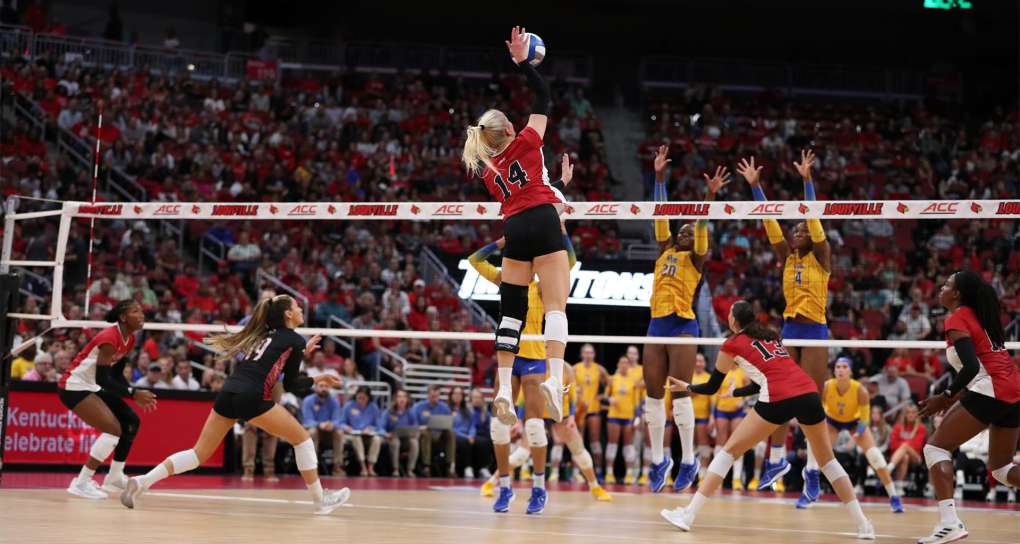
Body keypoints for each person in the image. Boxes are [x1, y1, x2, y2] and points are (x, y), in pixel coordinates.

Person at [660, 301, 874, 540]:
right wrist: (737, 393)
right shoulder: (771, 336)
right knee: (828, 461)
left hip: (778, 398)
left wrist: (687, 386)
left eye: (730, 313)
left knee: (728, 451)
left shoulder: (731, 344)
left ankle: (688, 515)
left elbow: (711, 386)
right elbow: (764, 376)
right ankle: (864, 525)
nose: (728, 316)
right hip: (808, 393)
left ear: (734, 320)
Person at [120, 295, 350, 515]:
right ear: (288, 314)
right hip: (252, 395)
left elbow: (278, 360)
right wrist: (318, 377)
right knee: (303, 440)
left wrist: (301, 352)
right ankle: (321, 501)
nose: (301, 309)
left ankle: (141, 481)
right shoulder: (294, 339)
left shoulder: (265, 336)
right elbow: (292, 385)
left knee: (197, 454)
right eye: (297, 307)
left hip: (228, 391)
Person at [462, 30, 571, 478]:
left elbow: (526, 192)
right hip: (544, 221)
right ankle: (556, 380)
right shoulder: (527, 141)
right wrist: (525, 62)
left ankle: (504, 388)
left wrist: (557, 185)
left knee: (510, 315)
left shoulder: (490, 172)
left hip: (514, 228)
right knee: (555, 306)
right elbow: (546, 92)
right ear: (508, 129)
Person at [465, 208, 576, 514]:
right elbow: (474, 260)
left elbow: (569, 262)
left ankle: (539, 488)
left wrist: (561, 231)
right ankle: (504, 487)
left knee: (536, 428)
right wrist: (504, 242)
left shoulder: (544, 286)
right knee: (498, 428)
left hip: (536, 358)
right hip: (509, 358)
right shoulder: (507, 279)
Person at [738, 150, 832, 507]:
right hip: (790, 330)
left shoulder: (822, 256)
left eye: (802, 228)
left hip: (816, 331)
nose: (796, 231)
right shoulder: (787, 257)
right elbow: (769, 224)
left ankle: (811, 472)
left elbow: (814, 219)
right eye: (795, 229)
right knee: (778, 395)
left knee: (810, 405)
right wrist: (756, 188)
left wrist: (807, 181)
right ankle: (776, 459)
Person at [644, 144, 730, 493]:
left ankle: (689, 460)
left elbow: (703, 227)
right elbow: (661, 213)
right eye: (682, 229)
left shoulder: (697, 258)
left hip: (682, 324)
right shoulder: (665, 249)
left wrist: (708, 199)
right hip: (656, 322)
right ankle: (657, 459)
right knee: (651, 395)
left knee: (679, 394)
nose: (684, 232)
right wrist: (660, 176)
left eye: (689, 232)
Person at [915, 272, 1020, 544]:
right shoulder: (980, 316)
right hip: (1012, 389)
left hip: (993, 388)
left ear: (957, 294)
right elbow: (978, 369)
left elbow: (973, 367)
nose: (941, 287)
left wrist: (945, 394)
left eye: (947, 284)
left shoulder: (958, 317)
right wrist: (950, 398)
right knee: (1002, 469)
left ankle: (950, 524)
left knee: (935, 448)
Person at [58, 300, 157, 499]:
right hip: (74, 385)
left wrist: (132, 391)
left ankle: (114, 476)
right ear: (122, 317)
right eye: (135, 311)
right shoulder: (109, 337)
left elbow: (116, 375)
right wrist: (132, 393)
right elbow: (102, 378)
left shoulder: (129, 339)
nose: (141, 315)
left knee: (131, 420)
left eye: (142, 311)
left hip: (92, 385)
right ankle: (81, 482)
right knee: (113, 430)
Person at [480, 364, 612, 501]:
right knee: (521, 454)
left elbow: (573, 395)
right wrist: (519, 420)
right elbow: (523, 398)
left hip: (561, 415)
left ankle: (594, 486)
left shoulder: (566, 368)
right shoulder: (535, 365)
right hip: (538, 414)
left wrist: (572, 417)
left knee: (579, 451)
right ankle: (491, 482)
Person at [823, 357, 904, 512]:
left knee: (875, 456)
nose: (840, 370)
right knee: (817, 453)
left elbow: (865, 418)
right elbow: (819, 411)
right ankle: (807, 492)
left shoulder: (860, 389)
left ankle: (894, 497)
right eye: (838, 367)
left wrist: (857, 436)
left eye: (844, 367)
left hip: (855, 423)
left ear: (850, 370)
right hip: (832, 421)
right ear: (834, 370)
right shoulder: (827, 386)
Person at [710, 365, 749, 490]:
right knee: (720, 442)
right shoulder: (722, 370)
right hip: (721, 410)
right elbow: (714, 394)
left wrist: (744, 402)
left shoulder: (743, 371)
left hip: (737, 411)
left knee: (736, 442)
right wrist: (711, 415)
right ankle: (716, 478)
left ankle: (736, 478)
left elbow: (750, 390)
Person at [573, 343, 610, 479]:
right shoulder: (575, 368)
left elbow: (611, 383)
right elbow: (566, 384)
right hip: (579, 410)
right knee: (577, 443)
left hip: (594, 410)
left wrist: (603, 396)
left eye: (591, 353)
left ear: (594, 355)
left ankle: (599, 471)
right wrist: (573, 392)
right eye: (586, 352)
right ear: (582, 354)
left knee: (595, 443)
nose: (588, 355)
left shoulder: (599, 369)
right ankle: (576, 473)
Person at [605, 356, 641, 485]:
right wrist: (610, 400)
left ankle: (629, 475)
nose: (624, 365)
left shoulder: (633, 381)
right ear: (618, 364)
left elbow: (637, 402)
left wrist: (637, 417)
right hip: (614, 416)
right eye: (622, 362)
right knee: (612, 445)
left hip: (628, 417)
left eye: (626, 363)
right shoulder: (612, 379)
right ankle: (609, 473)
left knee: (629, 446)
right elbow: (605, 396)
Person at [302, 380, 344, 477]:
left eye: (326, 386)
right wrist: (319, 424)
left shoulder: (335, 401)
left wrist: (332, 424)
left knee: (339, 432)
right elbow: (307, 420)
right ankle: (312, 467)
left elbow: (337, 419)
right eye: (321, 386)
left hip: (329, 433)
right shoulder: (308, 400)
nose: (324, 388)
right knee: (312, 431)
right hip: (314, 432)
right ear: (316, 388)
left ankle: (337, 466)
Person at [411, 384, 454, 478]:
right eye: (432, 396)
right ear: (427, 395)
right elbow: (413, 424)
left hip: (439, 435)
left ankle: (449, 466)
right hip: (424, 434)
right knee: (426, 433)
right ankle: (426, 466)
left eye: (436, 396)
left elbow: (449, 423)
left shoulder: (444, 407)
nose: (434, 398)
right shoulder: (418, 407)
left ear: (439, 396)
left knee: (450, 433)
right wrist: (420, 427)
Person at [340, 386, 381, 477]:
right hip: (352, 435)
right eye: (359, 397)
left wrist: (370, 428)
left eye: (363, 398)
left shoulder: (373, 407)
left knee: (377, 439)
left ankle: (371, 467)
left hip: (367, 435)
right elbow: (341, 422)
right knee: (357, 438)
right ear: (356, 396)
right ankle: (363, 467)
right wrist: (347, 427)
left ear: (368, 397)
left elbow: (378, 425)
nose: (361, 400)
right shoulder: (349, 405)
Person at [380, 389, 420, 477]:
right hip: (391, 438)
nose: (402, 399)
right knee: (395, 441)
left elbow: (415, 427)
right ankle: (396, 469)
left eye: (404, 397)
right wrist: (386, 434)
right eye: (399, 397)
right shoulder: (389, 412)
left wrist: (415, 434)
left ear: (407, 399)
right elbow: (380, 428)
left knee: (414, 442)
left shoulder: (411, 412)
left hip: (406, 439)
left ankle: (410, 469)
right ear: (395, 399)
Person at [889, 403, 926, 494]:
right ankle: (899, 487)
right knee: (905, 456)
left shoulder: (921, 428)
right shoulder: (898, 427)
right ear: (904, 415)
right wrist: (906, 445)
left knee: (905, 447)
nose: (910, 415)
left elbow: (917, 446)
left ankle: (889, 468)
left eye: (913, 412)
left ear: (917, 414)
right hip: (899, 456)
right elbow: (892, 445)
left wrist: (904, 445)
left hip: (916, 457)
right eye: (908, 412)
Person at [690, 354, 716, 484]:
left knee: (703, 446)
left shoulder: (708, 377)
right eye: (696, 361)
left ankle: (702, 475)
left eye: (701, 361)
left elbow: (712, 400)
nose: (698, 363)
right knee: (690, 447)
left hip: (702, 418)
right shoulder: (688, 376)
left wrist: (711, 417)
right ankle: (690, 475)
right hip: (689, 417)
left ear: (705, 364)